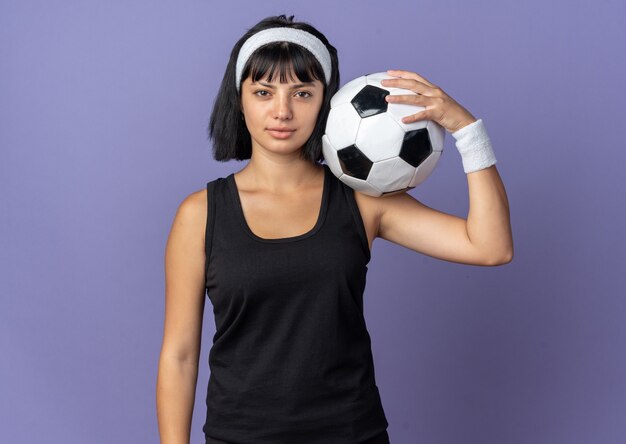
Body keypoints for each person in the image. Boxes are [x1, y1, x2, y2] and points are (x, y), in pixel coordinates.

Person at [156, 14, 513, 444]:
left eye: (302, 93)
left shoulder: (361, 197)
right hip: (240, 437)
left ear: (328, 101)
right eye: (264, 92)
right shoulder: (200, 214)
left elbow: (490, 246)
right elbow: (179, 356)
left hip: (351, 433)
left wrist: (467, 130)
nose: (282, 111)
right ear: (240, 100)